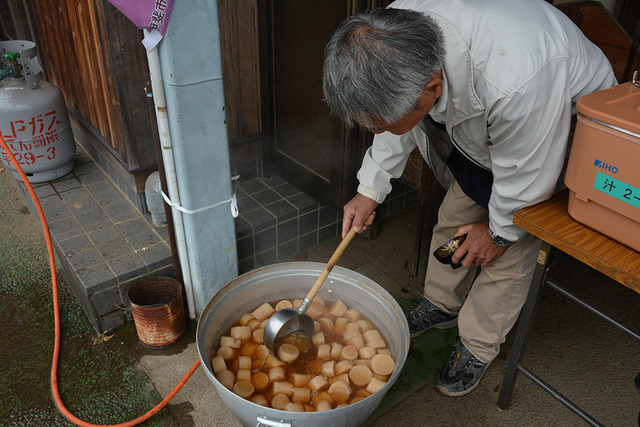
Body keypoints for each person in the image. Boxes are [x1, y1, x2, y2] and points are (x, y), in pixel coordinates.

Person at [322, 0, 616, 397]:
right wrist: (369, 190)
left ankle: (477, 345)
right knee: (454, 220)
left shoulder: (516, 81)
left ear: (432, 89)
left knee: (506, 256)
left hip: (561, 131)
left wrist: (497, 234)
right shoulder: (388, 35)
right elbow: (390, 124)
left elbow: (528, 176)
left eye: (387, 122)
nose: (384, 130)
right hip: (486, 133)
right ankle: (441, 304)